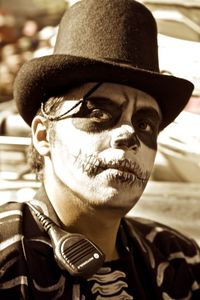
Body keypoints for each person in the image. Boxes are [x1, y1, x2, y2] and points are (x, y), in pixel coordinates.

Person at [0, 0, 200, 299]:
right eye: (98, 114)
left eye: (145, 124)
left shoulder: (179, 258)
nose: (128, 135)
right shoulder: (6, 259)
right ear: (43, 135)